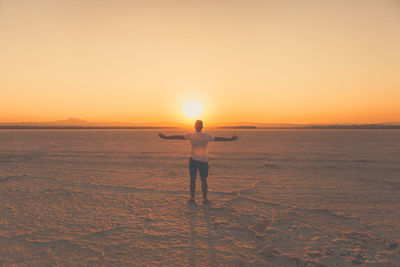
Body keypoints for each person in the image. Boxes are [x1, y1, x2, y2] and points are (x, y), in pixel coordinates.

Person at [158, 120, 238, 204]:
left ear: (194, 126)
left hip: (193, 160)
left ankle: (192, 198)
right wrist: (231, 139)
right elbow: (219, 139)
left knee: (192, 179)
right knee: (203, 180)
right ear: (202, 127)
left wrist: (165, 137)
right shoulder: (205, 136)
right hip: (203, 161)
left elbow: (177, 137)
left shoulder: (191, 135)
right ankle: (204, 199)